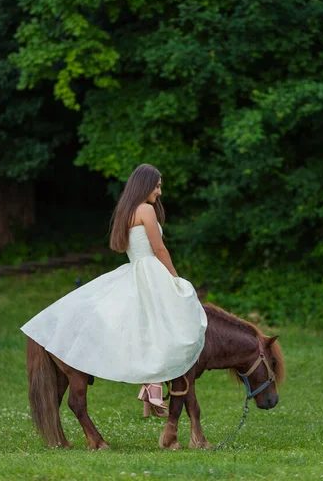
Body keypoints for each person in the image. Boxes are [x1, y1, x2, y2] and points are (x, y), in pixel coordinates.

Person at [20, 163, 207, 417]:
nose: (159, 192)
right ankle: (152, 382)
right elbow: (159, 248)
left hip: (134, 269)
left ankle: (151, 384)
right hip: (151, 270)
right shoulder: (146, 210)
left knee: (147, 326)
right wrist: (175, 277)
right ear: (145, 184)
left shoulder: (126, 211)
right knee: (167, 323)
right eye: (157, 186)